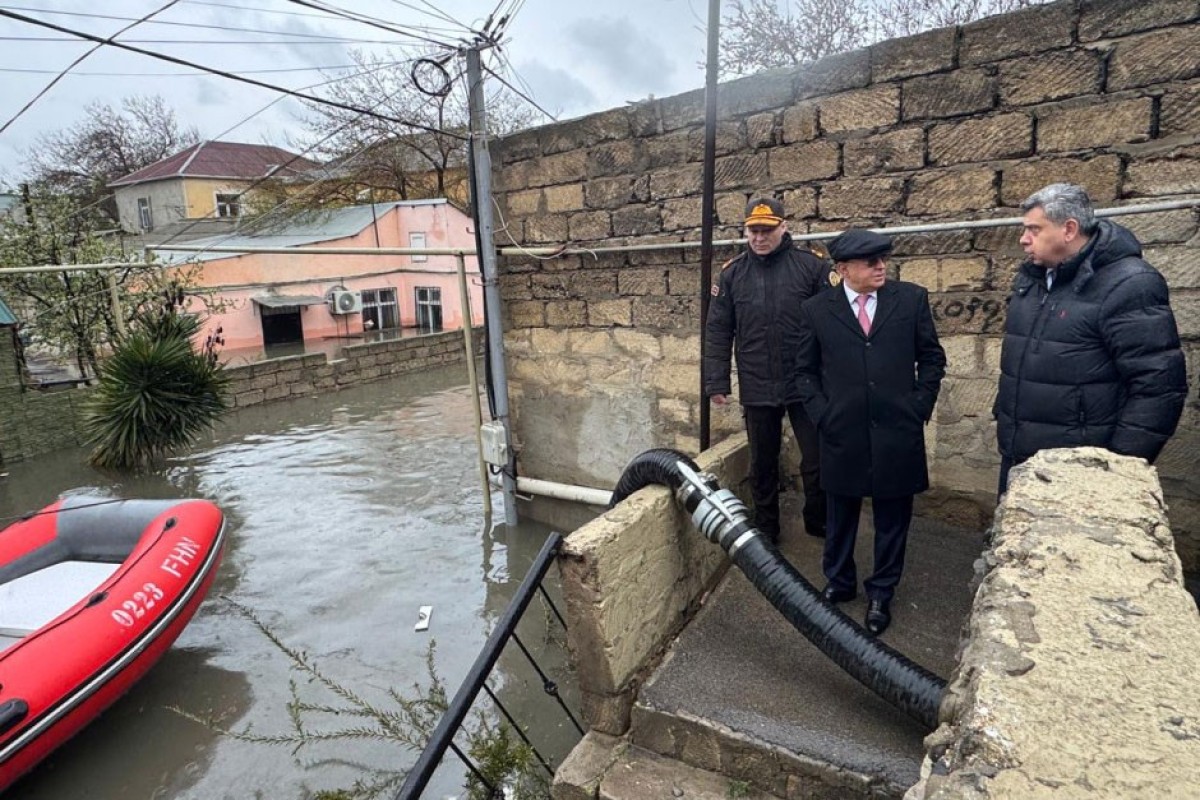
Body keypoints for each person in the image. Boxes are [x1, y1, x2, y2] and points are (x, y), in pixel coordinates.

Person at [794, 228, 946, 636]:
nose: (881, 266)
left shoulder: (910, 300)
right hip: (841, 431)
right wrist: (823, 415)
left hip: (898, 430)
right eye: (870, 261)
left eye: (883, 259)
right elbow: (804, 372)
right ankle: (840, 580)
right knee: (839, 512)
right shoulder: (816, 310)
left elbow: (932, 359)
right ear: (843, 269)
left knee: (893, 516)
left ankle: (882, 591)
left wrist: (918, 408)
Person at [994, 183, 1187, 496]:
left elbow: (1158, 386)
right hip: (1019, 457)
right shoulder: (1031, 279)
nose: (1023, 239)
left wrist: (1116, 468)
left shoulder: (1130, 284)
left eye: (1034, 229)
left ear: (1069, 229)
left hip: (1080, 471)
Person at [704, 197, 832, 542]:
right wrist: (716, 381)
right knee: (762, 463)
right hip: (757, 381)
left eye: (767, 230)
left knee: (818, 459)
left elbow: (834, 324)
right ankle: (767, 527)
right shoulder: (732, 274)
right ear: (745, 230)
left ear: (784, 227)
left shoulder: (813, 267)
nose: (759, 238)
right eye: (753, 230)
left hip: (806, 382)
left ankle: (818, 521)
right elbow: (718, 329)